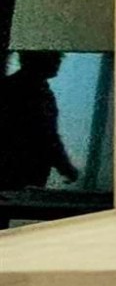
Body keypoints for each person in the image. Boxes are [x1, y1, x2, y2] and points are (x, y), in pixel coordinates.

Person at [0, 51, 79, 191]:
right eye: (55, 58)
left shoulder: (14, 87)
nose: (59, 62)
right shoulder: (37, 92)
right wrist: (65, 166)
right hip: (24, 168)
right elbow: (46, 135)